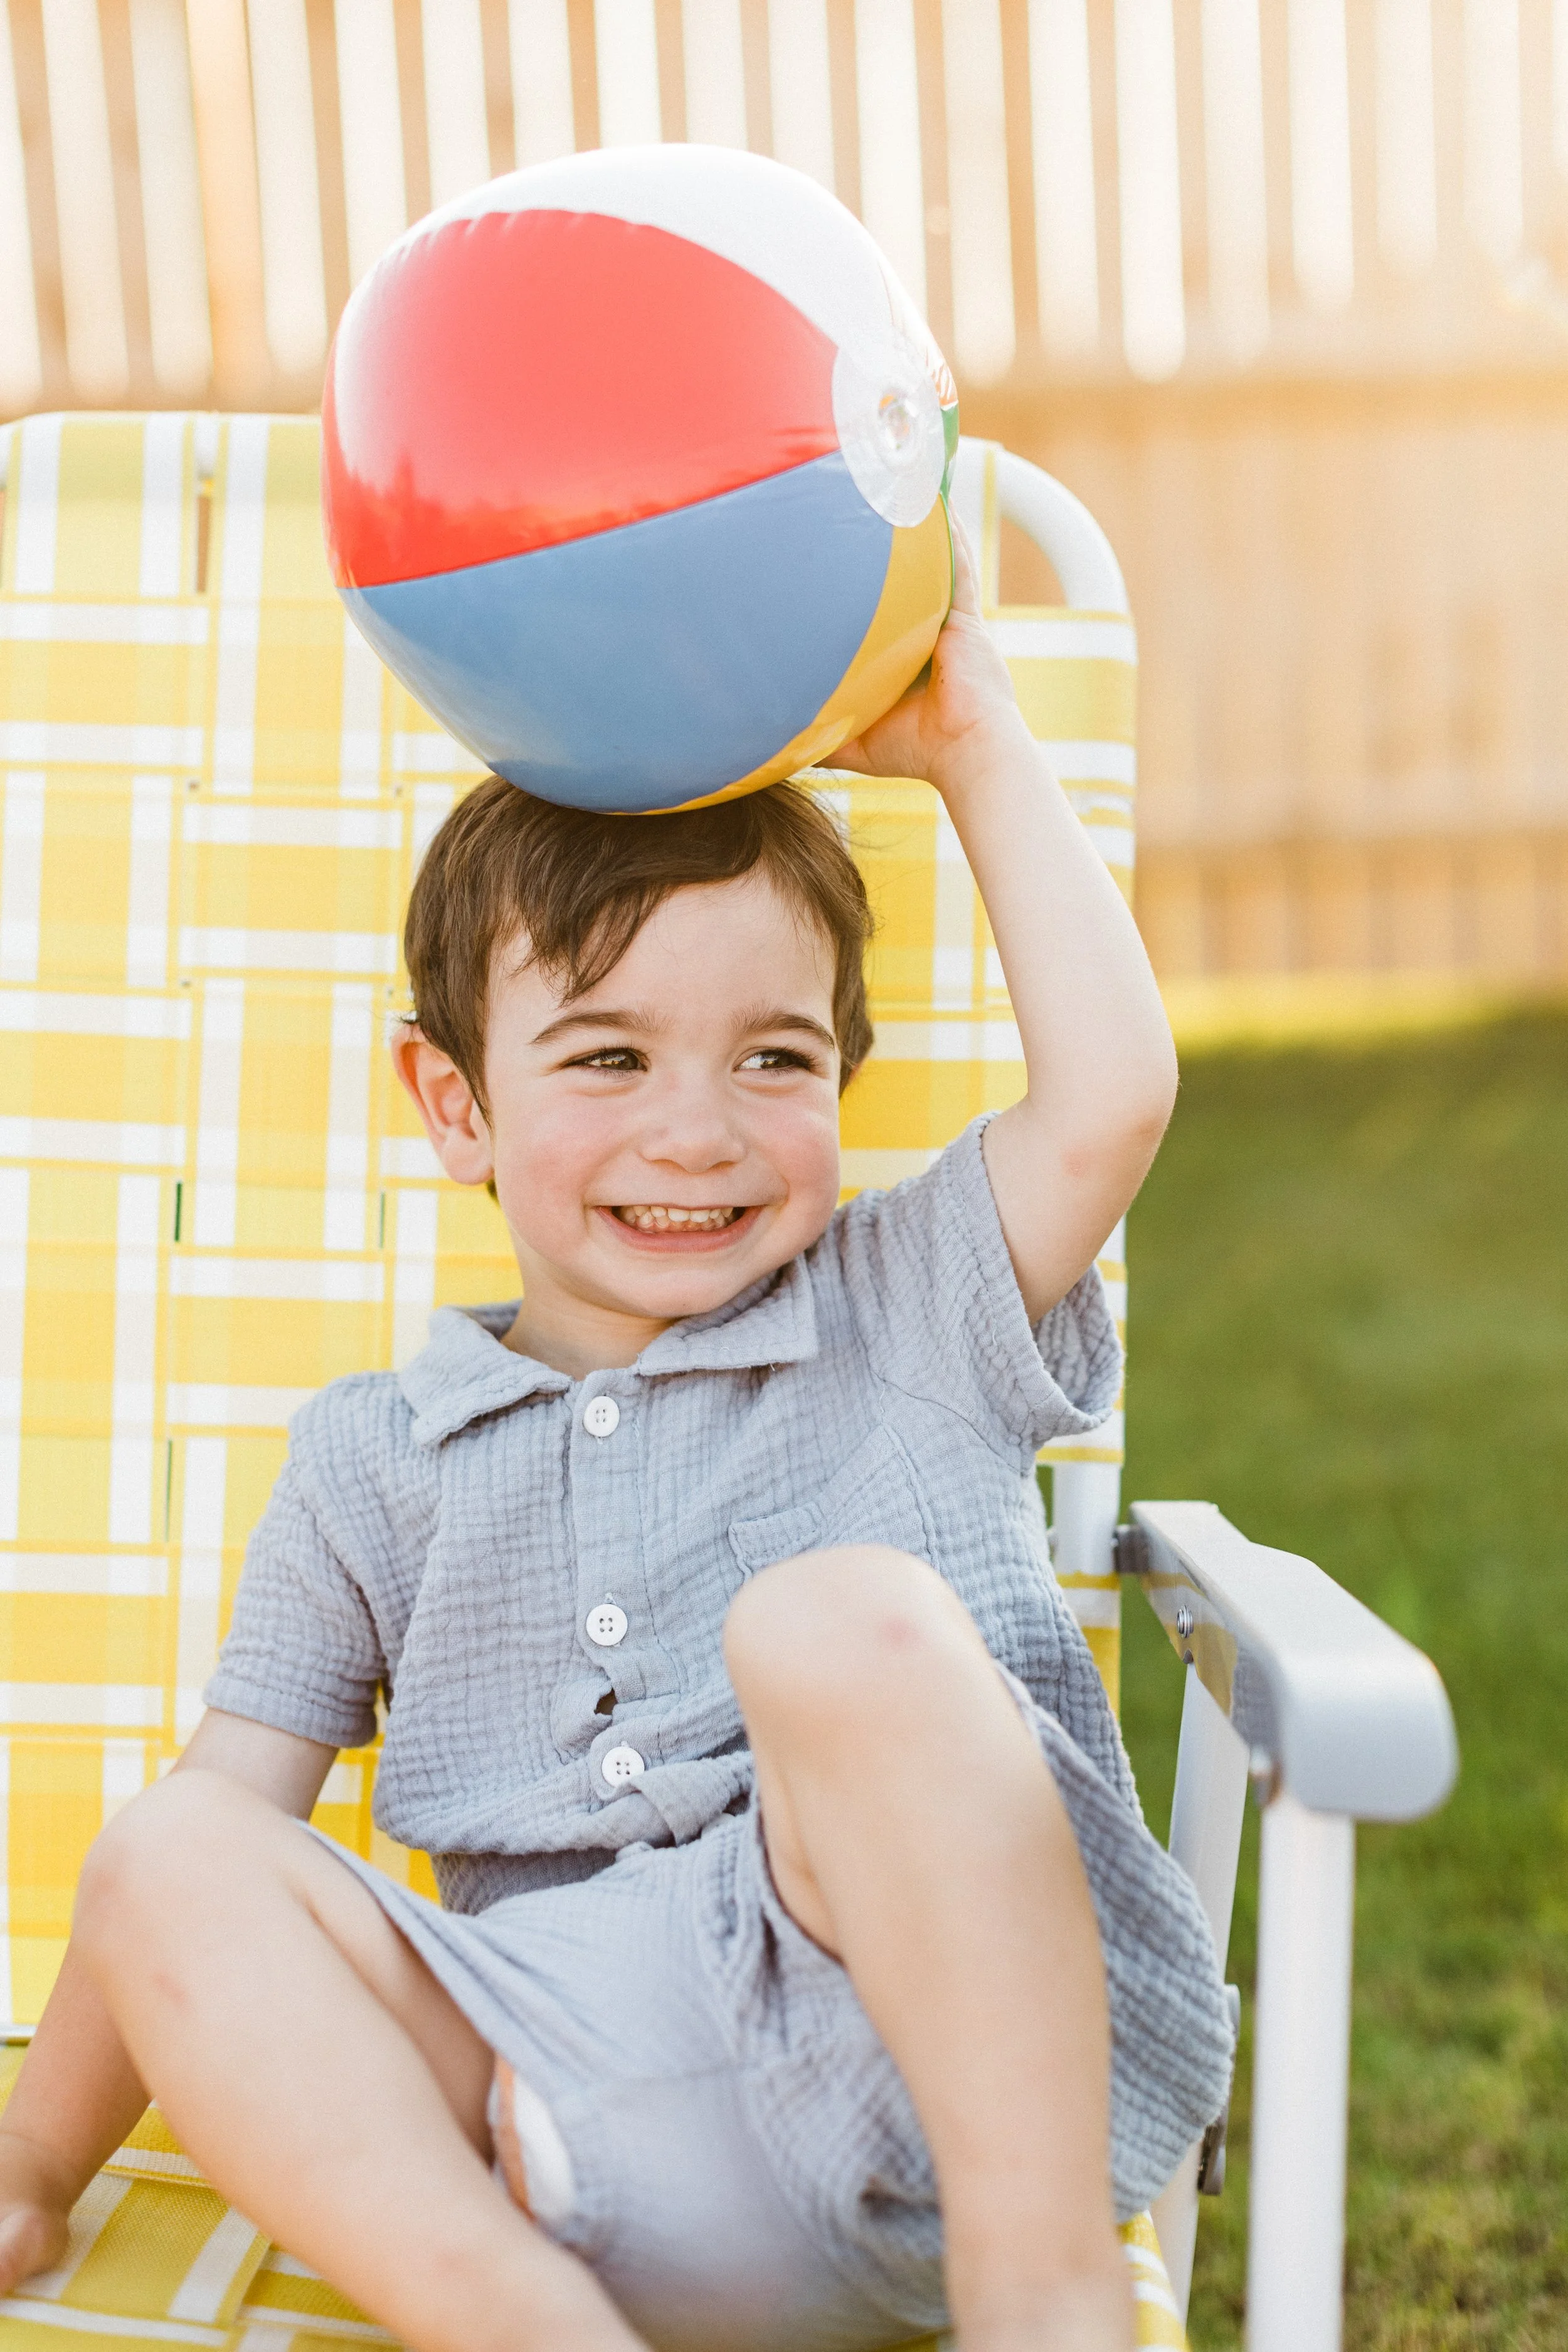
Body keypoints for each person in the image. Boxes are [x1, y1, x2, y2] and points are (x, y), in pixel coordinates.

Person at [0, 529, 1231, 2352]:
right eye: (603, 1058)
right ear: (455, 1103)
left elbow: (1115, 1093)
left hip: (928, 2079)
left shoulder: (912, 1302)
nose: (699, 1132)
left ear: (840, 1075)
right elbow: (207, 1847)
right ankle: (517, 2323)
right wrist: (33, 2162)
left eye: (772, 1058)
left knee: (838, 1622)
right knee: (178, 1848)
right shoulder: (373, 1455)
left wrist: (974, 743)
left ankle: (1044, 2306)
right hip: (545, 2104)